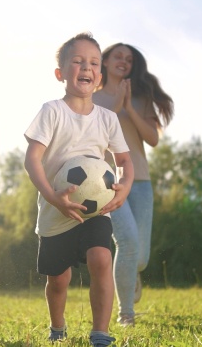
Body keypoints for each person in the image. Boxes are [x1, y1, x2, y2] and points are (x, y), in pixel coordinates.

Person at [24, 32, 134, 347]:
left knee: (102, 258)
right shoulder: (51, 111)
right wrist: (51, 196)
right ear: (61, 73)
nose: (86, 67)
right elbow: (32, 159)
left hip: (94, 209)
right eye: (78, 61)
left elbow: (124, 160)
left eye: (93, 63)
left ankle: (100, 333)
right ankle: (57, 327)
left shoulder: (108, 118)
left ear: (99, 77)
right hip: (56, 209)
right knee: (58, 281)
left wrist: (124, 185)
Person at [92, 43, 174, 327]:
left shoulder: (140, 98)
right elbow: (97, 134)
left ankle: (133, 273)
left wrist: (129, 106)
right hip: (107, 182)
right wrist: (116, 105)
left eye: (128, 59)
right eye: (118, 56)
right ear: (105, 60)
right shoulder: (92, 97)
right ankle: (126, 313)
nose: (123, 62)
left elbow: (152, 138)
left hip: (140, 181)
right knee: (127, 244)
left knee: (141, 257)